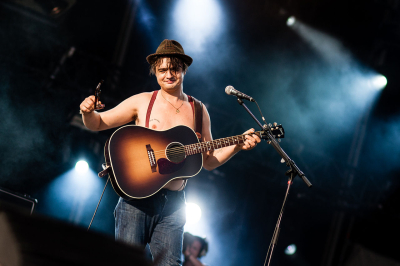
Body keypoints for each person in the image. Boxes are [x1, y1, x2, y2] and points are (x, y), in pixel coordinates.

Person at [79, 39, 261, 266]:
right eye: (162, 70)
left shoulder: (198, 110)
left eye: (174, 68)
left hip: (174, 205)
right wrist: (87, 111)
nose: (168, 74)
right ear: (155, 71)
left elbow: (209, 160)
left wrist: (237, 145)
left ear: (184, 69)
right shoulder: (143, 101)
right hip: (136, 201)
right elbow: (98, 123)